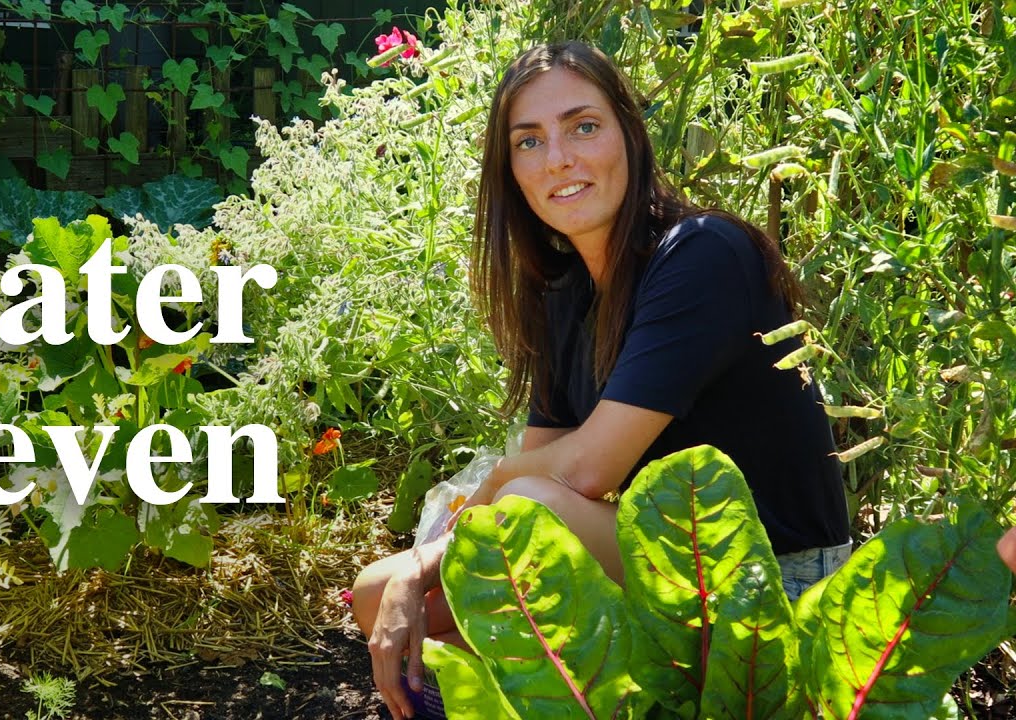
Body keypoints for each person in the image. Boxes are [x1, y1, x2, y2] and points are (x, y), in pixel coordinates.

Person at [350, 41, 851, 719]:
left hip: (771, 587)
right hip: (670, 572)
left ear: (629, 136)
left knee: (527, 505)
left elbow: (575, 476)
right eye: (530, 141)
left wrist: (471, 512)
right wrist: (420, 564)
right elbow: (527, 484)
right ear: (512, 173)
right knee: (379, 593)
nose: (559, 158)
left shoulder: (702, 254)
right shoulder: (568, 295)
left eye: (583, 126)